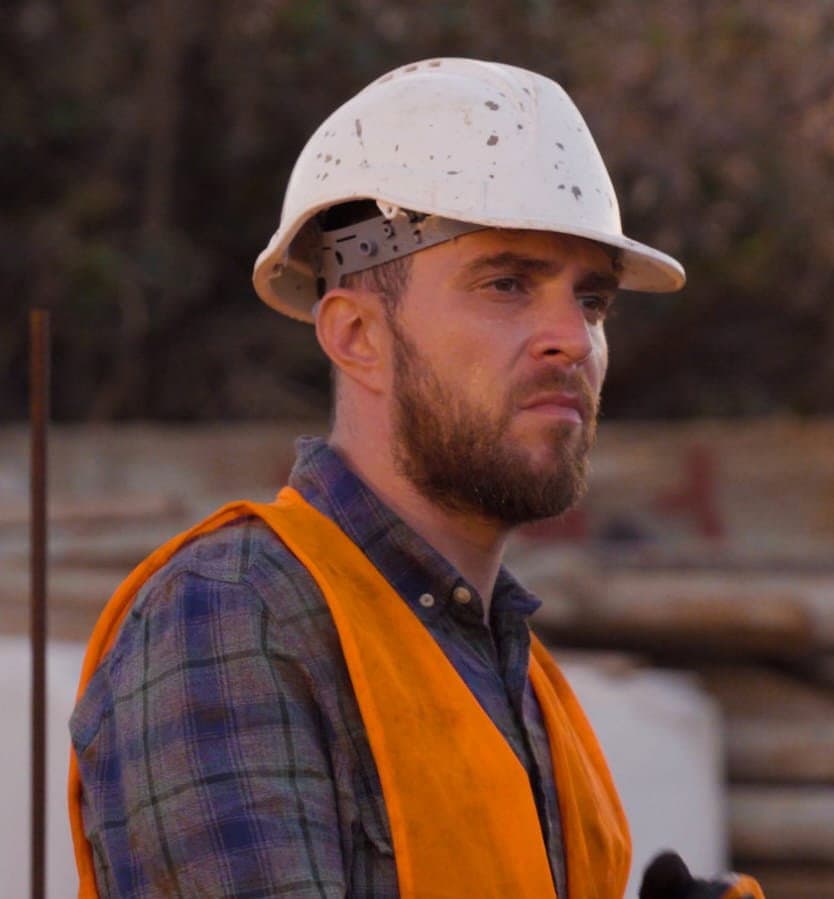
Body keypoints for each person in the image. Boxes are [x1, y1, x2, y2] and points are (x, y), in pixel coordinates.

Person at [67, 58, 761, 899]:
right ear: (357, 334)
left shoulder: (510, 669)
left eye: (592, 300)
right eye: (507, 283)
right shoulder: (235, 614)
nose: (572, 340)